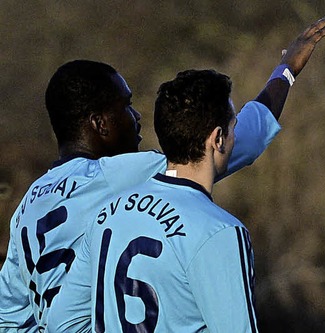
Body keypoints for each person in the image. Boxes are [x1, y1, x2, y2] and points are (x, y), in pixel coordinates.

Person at [0, 13, 325, 332]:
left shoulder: (25, 208)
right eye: (126, 106)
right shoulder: (117, 177)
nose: (135, 117)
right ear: (99, 123)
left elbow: (9, 317)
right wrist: (287, 70)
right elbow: (238, 140)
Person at [48, 69, 262, 332]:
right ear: (218, 138)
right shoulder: (221, 231)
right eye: (233, 127)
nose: (235, 137)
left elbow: (62, 323)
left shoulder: (107, 216)